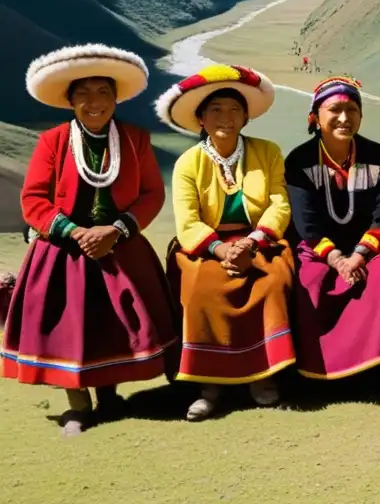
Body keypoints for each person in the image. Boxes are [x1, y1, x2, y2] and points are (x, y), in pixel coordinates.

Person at [3, 45, 177, 436]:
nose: (94, 102)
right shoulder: (52, 141)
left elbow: (151, 193)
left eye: (103, 92)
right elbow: (33, 199)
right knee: (69, 326)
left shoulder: (135, 139)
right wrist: (77, 232)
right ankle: (78, 406)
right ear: (70, 100)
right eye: (84, 93)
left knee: (112, 323)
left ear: (116, 98)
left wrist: (115, 230)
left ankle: (110, 397)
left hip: (120, 243)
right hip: (64, 248)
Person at [156, 65, 294, 420]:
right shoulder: (189, 162)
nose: (226, 117)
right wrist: (221, 250)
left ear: (246, 117)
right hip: (206, 245)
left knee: (272, 281)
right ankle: (209, 385)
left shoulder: (268, 152)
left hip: (259, 241)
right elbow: (187, 220)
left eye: (235, 110)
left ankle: (264, 375)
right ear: (200, 118)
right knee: (202, 287)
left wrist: (251, 244)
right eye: (215, 109)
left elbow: (279, 204)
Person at [285, 77, 380, 380]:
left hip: (368, 247)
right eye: (334, 109)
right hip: (318, 247)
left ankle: (375, 367)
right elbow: (305, 222)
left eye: (352, 109)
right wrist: (337, 259)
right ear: (315, 117)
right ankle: (317, 367)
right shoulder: (299, 161)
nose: (344, 118)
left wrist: (358, 256)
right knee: (312, 278)